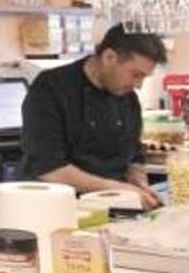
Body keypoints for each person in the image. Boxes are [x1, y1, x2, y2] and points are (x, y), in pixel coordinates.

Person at [20, 24, 168, 208]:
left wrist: (140, 183)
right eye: (135, 75)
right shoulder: (51, 89)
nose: (138, 85)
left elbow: (134, 156)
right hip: (62, 208)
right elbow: (49, 169)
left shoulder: (127, 97)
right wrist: (120, 189)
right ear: (109, 57)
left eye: (144, 78)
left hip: (114, 207)